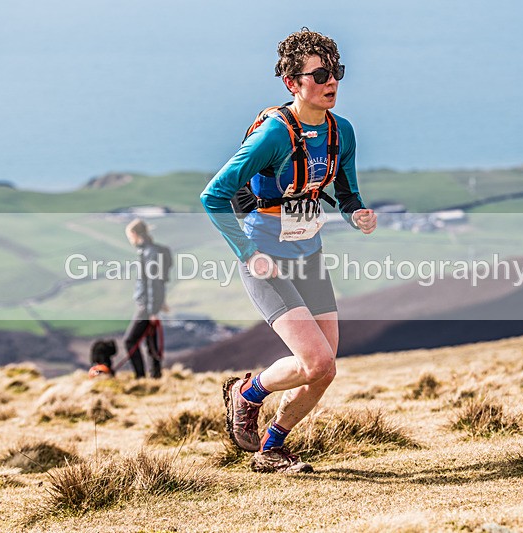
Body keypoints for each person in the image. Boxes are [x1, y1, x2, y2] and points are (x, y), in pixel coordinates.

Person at [200, 28, 377, 473]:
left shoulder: (343, 131)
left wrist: (357, 213)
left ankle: (272, 447)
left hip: (309, 256)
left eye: (335, 71)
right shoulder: (274, 136)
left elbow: (347, 192)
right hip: (265, 258)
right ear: (292, 83)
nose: (330, 81)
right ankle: (248, 394)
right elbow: (213, 196)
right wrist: (246, 251)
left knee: (325, 368)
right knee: (314, 360)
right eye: (318, 74)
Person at [123, 218, 172, 379]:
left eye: (130, 236)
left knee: (129, 341)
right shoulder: (150, 251)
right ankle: (155, 376)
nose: (130, 240)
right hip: (149, 304)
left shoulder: (149, 252)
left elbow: (153, 282)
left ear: (135, 234)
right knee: (150, 341)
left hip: (145, 306)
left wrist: (152, 310)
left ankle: (140, 377)